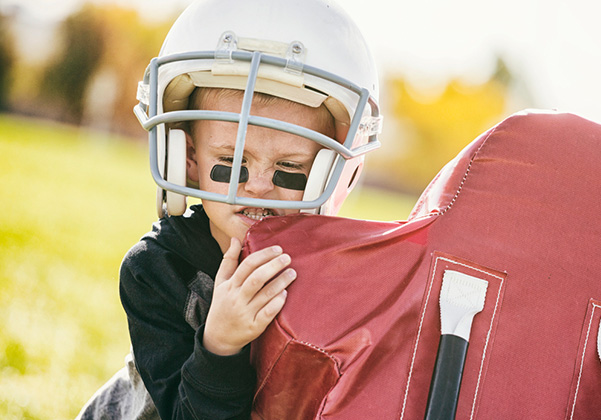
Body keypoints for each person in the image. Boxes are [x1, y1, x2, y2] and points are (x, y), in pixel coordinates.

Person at [75, 0, 382, 418]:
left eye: (289, 167)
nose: (257, 185)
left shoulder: (339, 280)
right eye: (232, 161)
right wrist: (219, 346)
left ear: (335, 170)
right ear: (187, 159)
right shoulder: (157, 271)